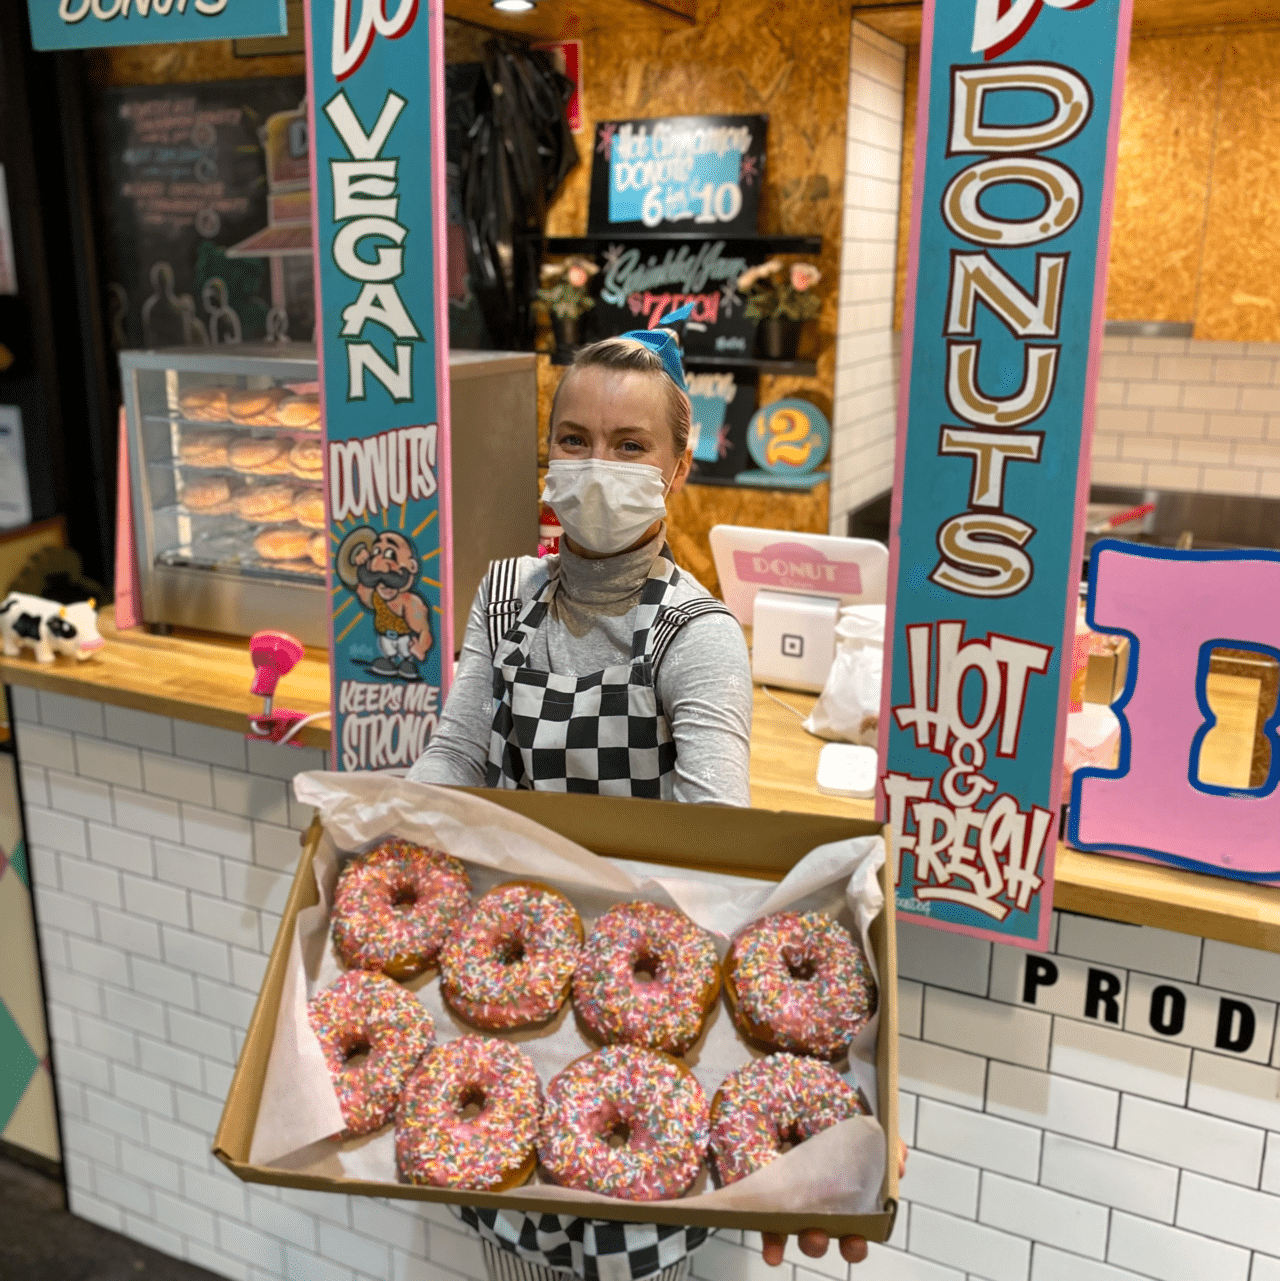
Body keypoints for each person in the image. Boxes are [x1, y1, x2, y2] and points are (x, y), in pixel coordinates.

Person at [408, 309, 887, 1279]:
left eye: (629, 445)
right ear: (545, 457)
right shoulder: (502, 594)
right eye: (573, 440)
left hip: (648, 1006)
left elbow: (715, 849)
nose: (596, 465)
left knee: (628, 1250)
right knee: (511, 1245)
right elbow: (456, 757)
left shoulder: (695, 634)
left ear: (676, 468)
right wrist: (366, 834)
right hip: (520, 992)